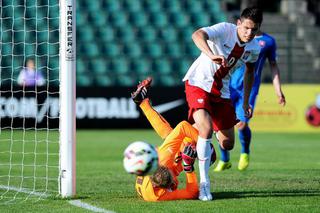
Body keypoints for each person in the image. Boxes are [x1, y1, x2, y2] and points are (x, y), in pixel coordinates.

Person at [182, 7, 263, 201]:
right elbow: (197, 35)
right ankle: (204, 185)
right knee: (207, 129)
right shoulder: (224, 29)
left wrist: (245, 103)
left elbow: (250, 72)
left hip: (222, 92)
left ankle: (189, 140)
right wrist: (211, 55)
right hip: (199, 83)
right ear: (238, 24)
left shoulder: (254, 48)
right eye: (246, 28)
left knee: (227, 144)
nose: (249, 33)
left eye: (254, 29)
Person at [131, 78, 216, 201]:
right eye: (171, 182)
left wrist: (205, 146)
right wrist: (188, 167)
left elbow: (183, 126)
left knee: (188, 139)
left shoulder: (163, 159)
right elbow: (191, 193)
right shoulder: (158, 195)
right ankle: (142, 103)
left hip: (161, 157)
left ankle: (142, 103)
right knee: (172, 136)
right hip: (157, 166)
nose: (174, 183)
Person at [214, 30, 286, 172]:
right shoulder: (236, 37)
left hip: (250, 88)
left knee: (241, 123)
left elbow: (273, 66)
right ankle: (224, 159)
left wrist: (278, 91)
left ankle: (245, 152)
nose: (249, 29)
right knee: (221, 122)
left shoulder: (268, 41)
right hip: (230, 85)